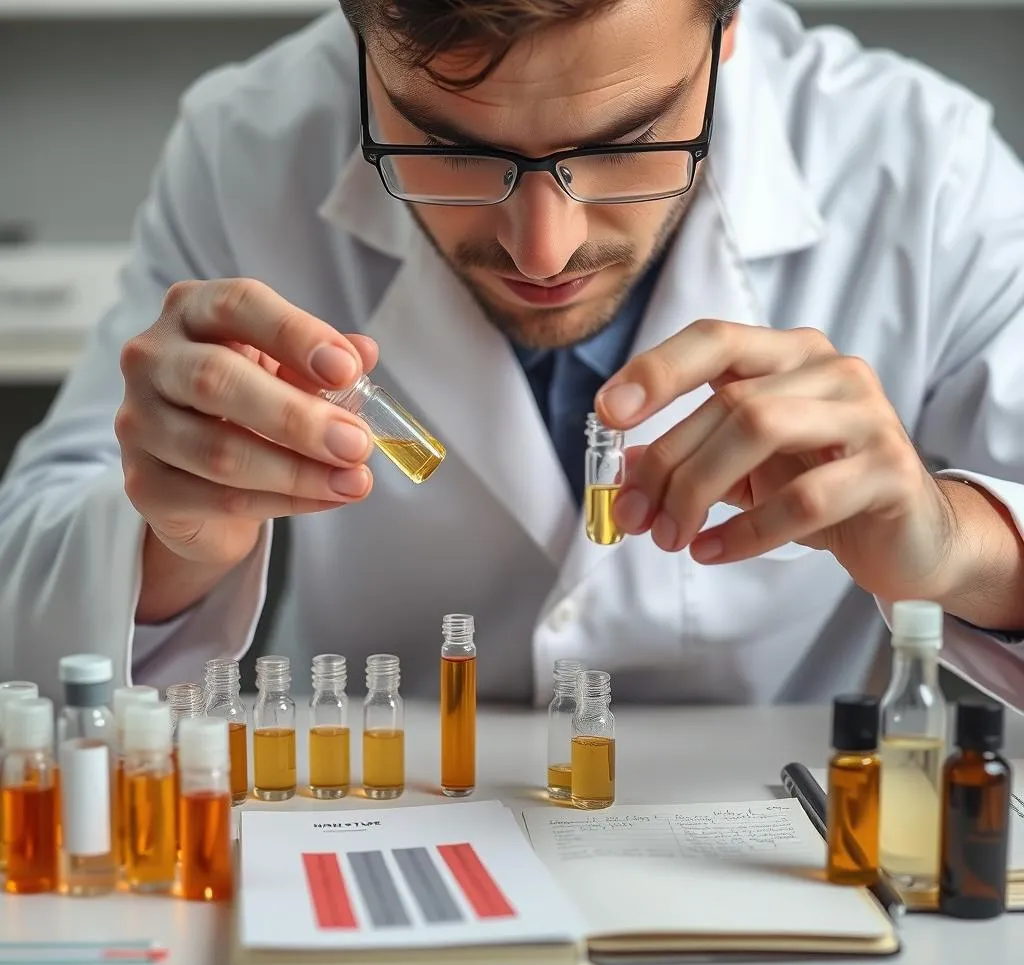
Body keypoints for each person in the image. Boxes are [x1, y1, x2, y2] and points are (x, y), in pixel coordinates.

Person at [0, 0, 1022, 705]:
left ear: (730, 28)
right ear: (358, 46)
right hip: (383, 825)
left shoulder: (922, 167)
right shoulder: (244, 146)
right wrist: (164, 541)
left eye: (626, 143)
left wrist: (961, 546)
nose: (546, 248)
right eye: (447, 146)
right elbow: (24, 600)